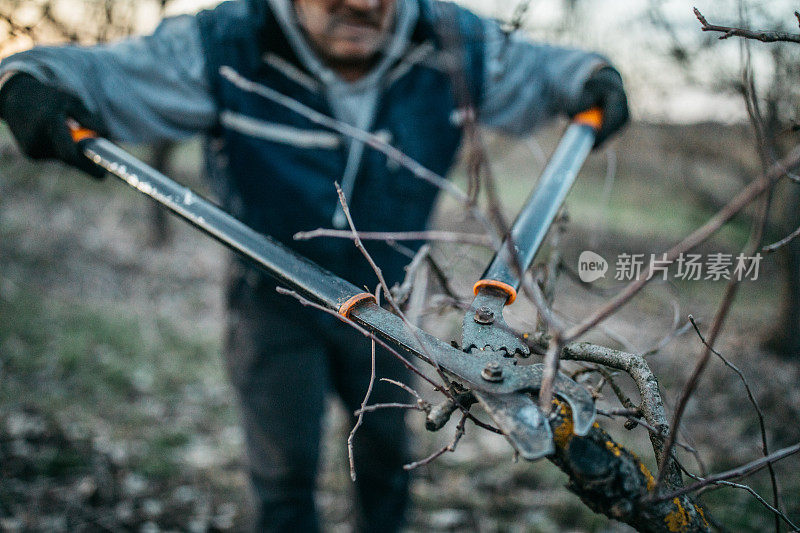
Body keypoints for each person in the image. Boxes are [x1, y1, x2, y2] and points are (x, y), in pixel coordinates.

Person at [0, 0, 629, 530]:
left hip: (395, 304)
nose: (361, 4)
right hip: (271, 298)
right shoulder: (224, 43)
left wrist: (594, 78)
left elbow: (552, 71)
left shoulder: (453, 42)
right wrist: (29, 83)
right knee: (283, 473)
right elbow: (87, 74)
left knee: (388, 460)